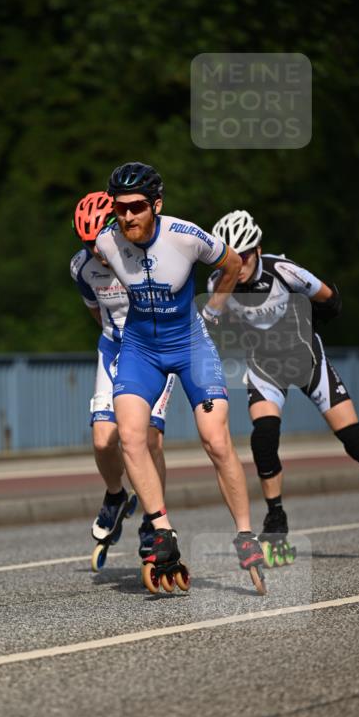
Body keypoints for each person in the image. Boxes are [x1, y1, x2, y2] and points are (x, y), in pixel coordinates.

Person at [95, 162, 264, 591]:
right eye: (120, 208)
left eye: (136, 207)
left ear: (156, 204)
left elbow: (230, 264)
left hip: (189, 345)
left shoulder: (185, 236)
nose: (127, 216)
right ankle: (162, 528)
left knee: (215, 438)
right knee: (131, 436)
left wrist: (214, 310)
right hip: (139, 349)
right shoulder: (106, 243)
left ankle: (245, 534)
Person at [209, 209, 359, 560]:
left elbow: (331, 300)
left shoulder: (284, 271)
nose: (238, 263)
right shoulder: (217, 284)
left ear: (258, 249)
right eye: (232, 256)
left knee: (355, 441)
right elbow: (213, 326)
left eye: (245, 255)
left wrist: (309, 323)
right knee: (263, 439)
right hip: (264, 367)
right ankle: (276, 520)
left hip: (307, 362)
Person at [72, 190, 175, 555]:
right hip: (115, 348)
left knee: (149, 440)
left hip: (155, 350)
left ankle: (153, 520)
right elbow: (96, 310)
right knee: (103, 439)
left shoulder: (145, 256)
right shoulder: (81, 267)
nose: (97, 251)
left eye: (99, 240)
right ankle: (116, 497)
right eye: (87, 243)